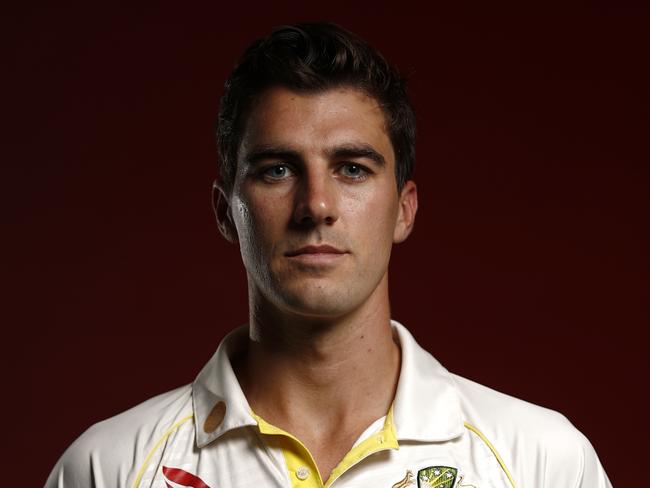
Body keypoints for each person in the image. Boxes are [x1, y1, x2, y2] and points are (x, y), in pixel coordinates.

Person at [46, 22, 612, 488]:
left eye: (352, 169)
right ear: (226, 212)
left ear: (403, 210)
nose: (316, 205)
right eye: (277, 170)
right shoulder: (109, 469)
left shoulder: (542, 463)